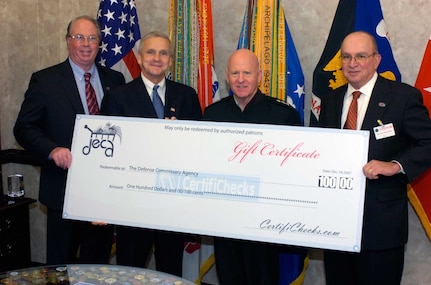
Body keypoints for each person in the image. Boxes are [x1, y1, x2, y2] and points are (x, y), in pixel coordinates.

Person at [318, 31, 431, 285]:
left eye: (361, 56)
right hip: (335, 226)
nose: (352, 63)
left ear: (377, 60)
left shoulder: (403, 97)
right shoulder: (331, 100)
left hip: (380, 228)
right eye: (346, 57)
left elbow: (428, 142)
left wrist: (395, 165)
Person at [13, 15, 125, 265]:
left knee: (97, 268)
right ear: (68, 41)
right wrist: (51, 150)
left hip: (102, 193)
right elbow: (24, 127)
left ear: (99, 43)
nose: (86, 44)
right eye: (79, 37)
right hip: (62, 191)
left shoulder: (115, 81)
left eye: (92, 38)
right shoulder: (45, 80)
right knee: (60, 268)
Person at [101, 31, 202, 276]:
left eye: (163, 53)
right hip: (133, 203)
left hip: (172, 202)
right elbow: (108, 153)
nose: (157, 58)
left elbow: (200, 147)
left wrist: (181, 137)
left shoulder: (187, 95)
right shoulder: (117, 97)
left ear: (170, 60)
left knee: (170, 272)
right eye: (151, 52)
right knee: (131, 272)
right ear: (139, 57)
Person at [202, 48, 301, 284]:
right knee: (229, 277)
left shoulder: (283, 116)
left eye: (247, 72)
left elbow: (295, 172)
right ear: (226, 76)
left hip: (264, 222)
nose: (241, 79)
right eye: (235, 73)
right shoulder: (213, 114)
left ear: (260, 75)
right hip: (225, 219)